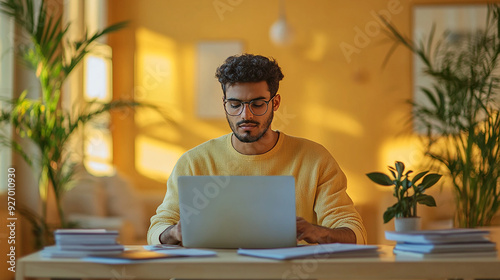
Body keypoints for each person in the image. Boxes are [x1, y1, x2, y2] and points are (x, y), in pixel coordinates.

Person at [147, 54, 367, 245]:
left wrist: (316, 231)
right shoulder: (194, 161)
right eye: (235, 105)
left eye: (257, 104)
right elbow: (157, 229)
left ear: (275, 102)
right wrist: (173, 232)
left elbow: (355, 233)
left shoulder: (315, 159)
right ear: (225, 104)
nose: (246, 115)